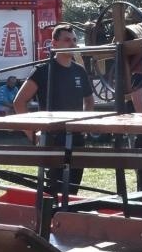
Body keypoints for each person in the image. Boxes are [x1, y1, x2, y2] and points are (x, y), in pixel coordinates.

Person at [13, 24, 94, 190]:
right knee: (53, 192)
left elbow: (89, 100)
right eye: (67, 40)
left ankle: (68, 216)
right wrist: (32, 135)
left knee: (72, 190)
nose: (72, 44)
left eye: (74, 40)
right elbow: (19, 102)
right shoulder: (42, 71)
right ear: (54, 44)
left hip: (77, 140)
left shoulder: (79, 71)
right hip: (53, 140)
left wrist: (84, 126)